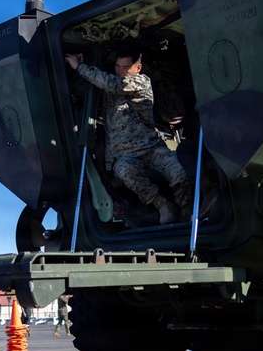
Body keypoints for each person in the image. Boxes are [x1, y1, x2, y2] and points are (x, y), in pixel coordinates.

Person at [66, 48, 193, 224]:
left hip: (152, 150)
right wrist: (80, 68)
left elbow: (115, 84)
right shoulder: (108, 90)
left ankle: (187, 212)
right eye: (117, 67)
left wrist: (80, 67)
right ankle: (163, 205)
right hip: (126, 156)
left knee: (180, 171)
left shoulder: (141, 82)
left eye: (125, 67)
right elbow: (85, 92)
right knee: (123, 171)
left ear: (138, 68)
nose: (120, 71)